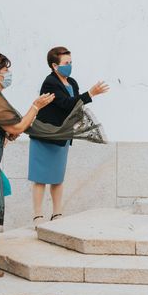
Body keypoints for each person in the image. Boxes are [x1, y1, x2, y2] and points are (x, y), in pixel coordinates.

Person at [0, 50, 55, 278]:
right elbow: (17, 127)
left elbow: (11, 127)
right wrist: (36, 106)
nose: (7, 75)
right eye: (5, 71)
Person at [28, 47, 109, 225]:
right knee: (40, 177)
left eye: (71, 62)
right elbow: (65, 104)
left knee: (57, 177)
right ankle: (37, 216)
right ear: (54, 66)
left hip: (62, 135)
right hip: (45, 134)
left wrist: (85, 99)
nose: (70, 66)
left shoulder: (71, 82)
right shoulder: (50, 82)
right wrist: (90, 94)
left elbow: (75, 107)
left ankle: (57, 214)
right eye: (66, 63)